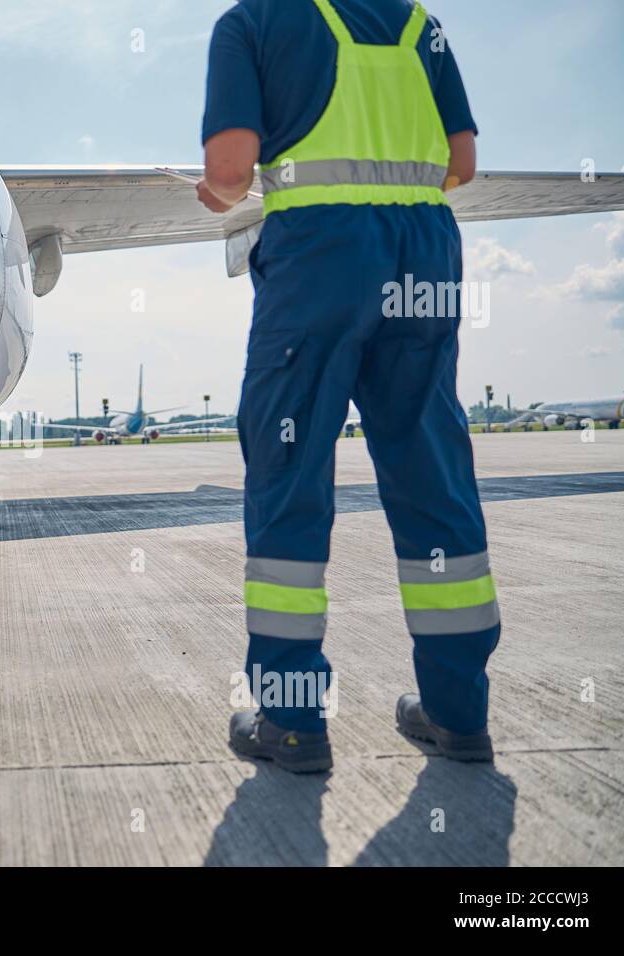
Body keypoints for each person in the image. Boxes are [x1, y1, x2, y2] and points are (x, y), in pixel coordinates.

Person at [197, 0, 499, 772]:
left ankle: (294, 723)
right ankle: (457, 714)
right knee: (431, 466)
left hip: (320, 258)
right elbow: (461, 164)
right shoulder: (419, 23)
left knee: (290, 474)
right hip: (424, 252)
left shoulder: (251, 23)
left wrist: (220, 194)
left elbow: (232, 173)